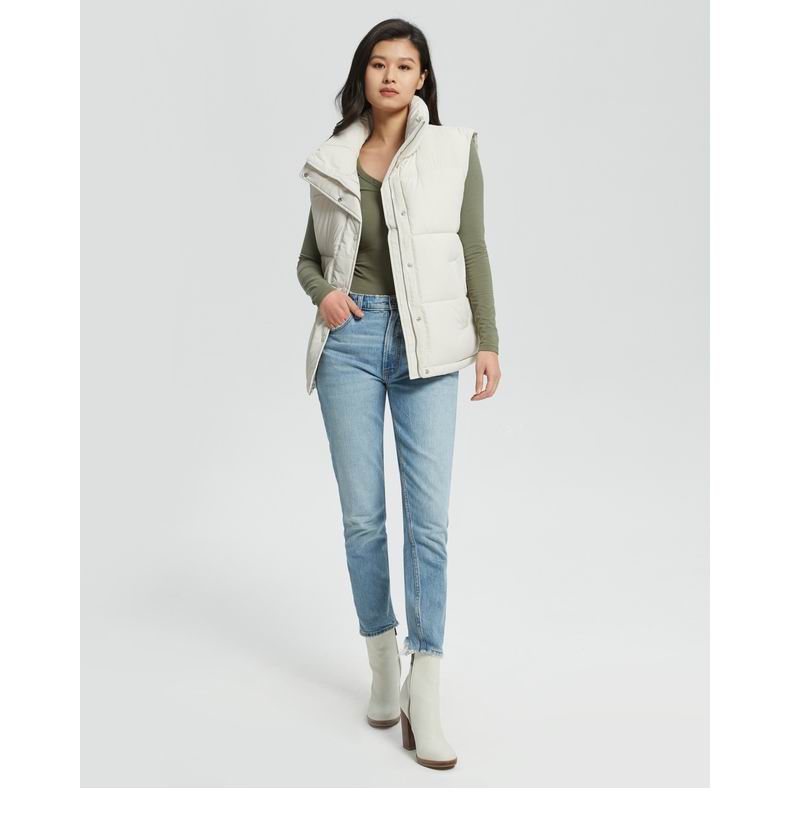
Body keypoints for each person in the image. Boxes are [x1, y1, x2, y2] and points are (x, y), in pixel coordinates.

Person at [296, 18, 501, 770]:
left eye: (405, 65)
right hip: (349, 343)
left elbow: (472, 246)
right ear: (364, 74)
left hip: (429, 346)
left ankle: (426, 686)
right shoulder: (333, 158)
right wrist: (324, 295)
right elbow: (308, 258)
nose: (390, 75)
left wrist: (488, 340)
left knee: (429, 525)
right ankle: (382, 664)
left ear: (423, 79)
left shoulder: (454, 150)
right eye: (379, 63)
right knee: (362, 519)